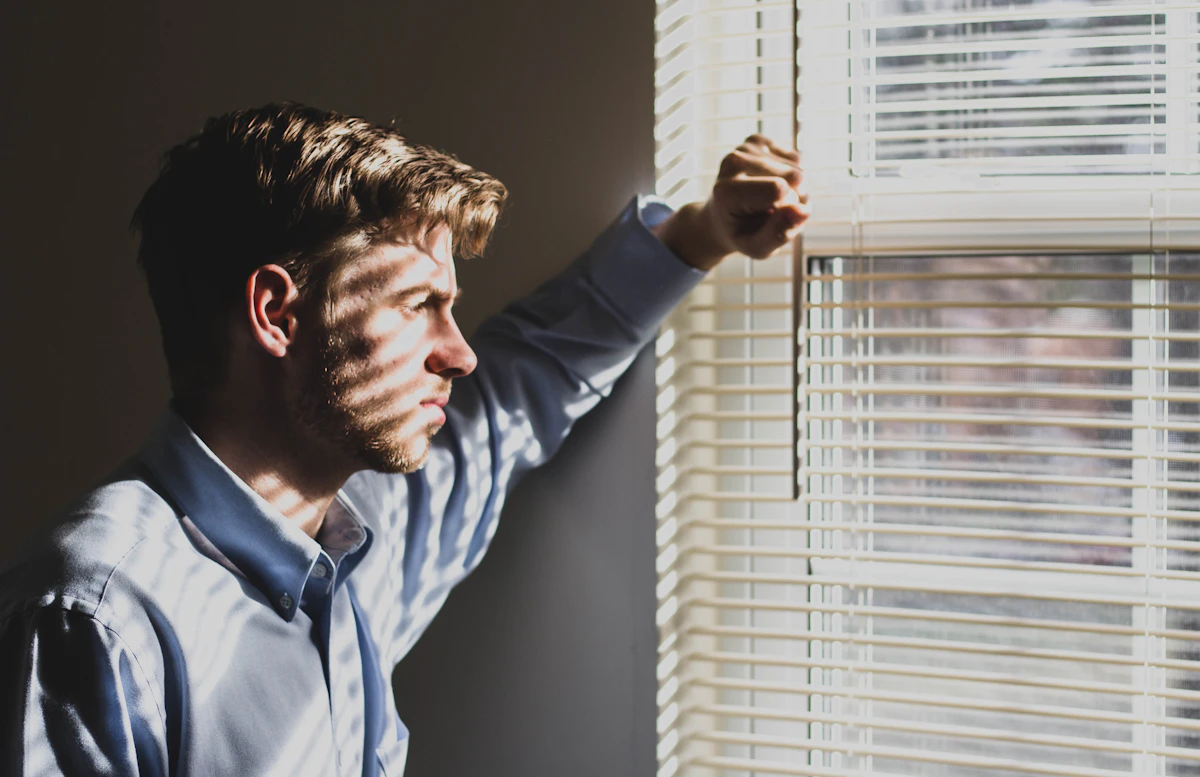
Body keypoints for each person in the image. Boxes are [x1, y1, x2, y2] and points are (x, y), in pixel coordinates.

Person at [0, 103, 808, 776]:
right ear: (279, 314)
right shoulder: (91, 620)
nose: (458, 352)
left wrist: (702, 234)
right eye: (420, 304)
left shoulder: (363, 538)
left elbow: (525, 384)